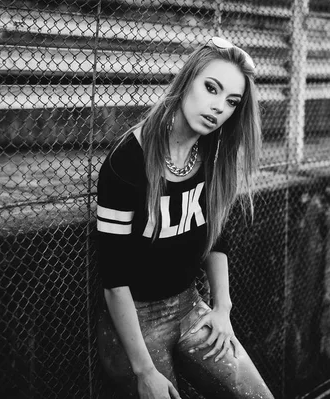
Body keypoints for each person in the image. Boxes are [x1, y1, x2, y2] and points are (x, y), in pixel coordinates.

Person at [94, 37, 275, 399]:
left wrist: (222, 308)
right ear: (187, 80)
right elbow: (113, 280)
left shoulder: (210, 153)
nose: (218, 107)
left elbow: (216, 237)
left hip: (191, 308)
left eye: (231, 102)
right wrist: (144, 370)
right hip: (135, 324)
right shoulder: (127, 162)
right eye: (211, 88)